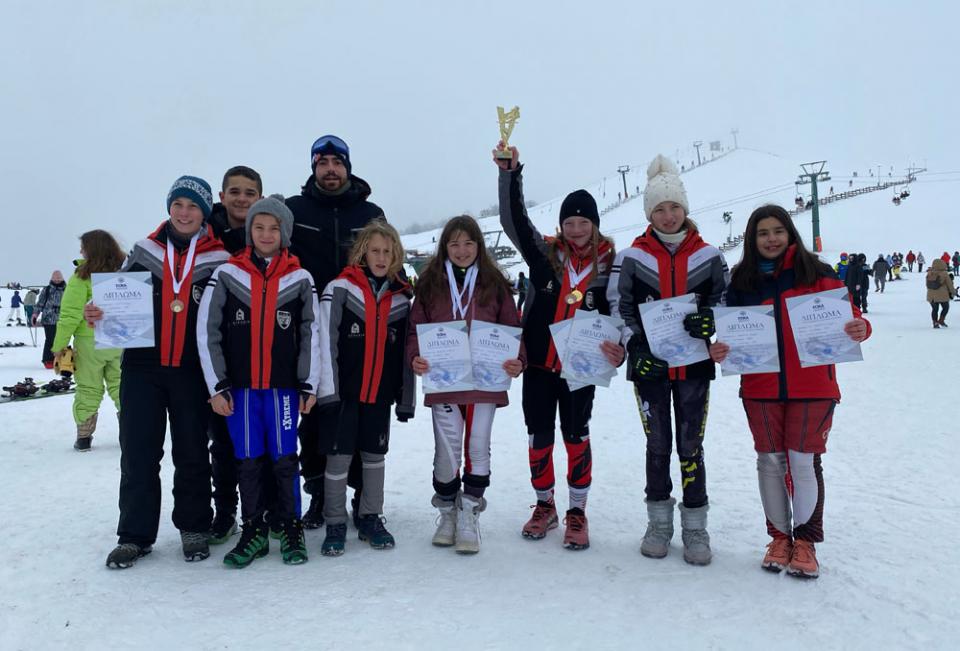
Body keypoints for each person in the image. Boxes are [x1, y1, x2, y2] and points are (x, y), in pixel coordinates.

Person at [709, 204, 871, 579]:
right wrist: (719, 349)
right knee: (770, 462)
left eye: (777, 231)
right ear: (752, 239)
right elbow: (728, 336)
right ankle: (780, 538)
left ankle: (806, 542)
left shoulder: (818, 273)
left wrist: (861, 328)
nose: (771, 239)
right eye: (763, 233)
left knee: (802, 461)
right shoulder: (741, 282)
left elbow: (852, 318)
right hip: (761, 387)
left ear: (790, 233)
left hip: (812, 385)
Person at [90, 176, 230, 569]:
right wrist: (97, 315)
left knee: (192, 452)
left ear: (204, 212)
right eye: (178, 205)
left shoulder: (219, 258)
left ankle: (194, 527)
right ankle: (134, 535)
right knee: (138, 452)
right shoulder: (145, 250)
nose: (184, 213)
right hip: (142, 368)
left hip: (191, 370)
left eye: (193, 206)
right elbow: (116, 301)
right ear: (169, 208)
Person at [495, 144, 623, 550]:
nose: (575, 228)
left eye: (583, 221)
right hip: (537, 367)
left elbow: (622, 312)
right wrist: (510, 175)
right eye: (569, 221)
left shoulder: (610, 264)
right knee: (539, 436)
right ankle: (544, 505)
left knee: (575, 436)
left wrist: (620, 346)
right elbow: (514, 221)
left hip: (580, 371)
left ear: (595, 224)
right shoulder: (545, 255)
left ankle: (577, 511)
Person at [608, 155, 728, 566]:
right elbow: (617, 307)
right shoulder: (631, 257)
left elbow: (724, 301)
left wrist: (711, 321)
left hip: (694, 366)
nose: (668, 214)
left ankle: (696, 526)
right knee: (657, 445)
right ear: (648, 213)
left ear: (686, 208)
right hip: (650, 370)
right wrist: (634, 346)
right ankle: (658, 522)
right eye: (659, 208)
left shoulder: (709, 255)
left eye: (674, 206)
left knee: (690, 445)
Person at [198, 194, 319, 567]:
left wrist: (308, 383)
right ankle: (253, 529)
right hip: (242, 391)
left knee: (285, 458)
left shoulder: (300, 278)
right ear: (249, 231)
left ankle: (290, 525)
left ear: (285, 232)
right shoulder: (228, 274)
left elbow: (311, 333)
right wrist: (216, 385)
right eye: (259, 226)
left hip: (283, 390)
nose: (266, 234)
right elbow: (207, 330)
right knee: (248, 460)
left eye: (274, 227)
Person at [406, 215, 525, 554]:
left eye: (468, 243)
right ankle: (447, 512)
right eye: (454, 243)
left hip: (485, 384)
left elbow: (512, 327)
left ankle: (470, 512)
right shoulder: (430, 283)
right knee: (446, 453)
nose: (461, 250)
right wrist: (416, 356)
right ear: (444, 246)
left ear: (479, 246)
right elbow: (415, 330)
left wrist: (519, 360)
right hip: (445, 382)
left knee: (477, 448)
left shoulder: (495, 283)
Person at [287, 135, 385, 530]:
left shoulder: (370, 211)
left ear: (347, 167)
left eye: (337, 162)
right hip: (307, 327)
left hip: (359, 327)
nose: (330, 169)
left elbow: (386, 257)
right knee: (314, 414)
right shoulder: (295, 210)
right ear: (314, 167)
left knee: (361, 412)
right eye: (323, 162)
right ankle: (318, 496)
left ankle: (364, 496)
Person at [315, 219, 415, 556]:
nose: (381, 256)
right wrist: (327, 390)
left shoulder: (402, 297)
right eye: (375, 250)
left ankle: (370, 515)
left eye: (388, 251)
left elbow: (406, 353)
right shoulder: (340, 288)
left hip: (379, 396)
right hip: (343, 395)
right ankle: (335, 521)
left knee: (375, 457)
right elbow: (325, 343)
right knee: (339, 459)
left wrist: (405, 398)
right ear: (362, 252)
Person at [204, 165, 264, 546]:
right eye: (235, 192)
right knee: (222, 442)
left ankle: (266, 512)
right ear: (222, 196)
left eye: (250, 192)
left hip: (262, 357)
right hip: (216, 357)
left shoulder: (268, 234)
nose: (242, 198)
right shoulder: (204, 237)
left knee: (266, 441)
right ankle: (224, 513)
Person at [51, 230, 126, 451]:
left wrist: (59, 346)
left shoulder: (81, 277)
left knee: (88, 388)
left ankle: (84, 436)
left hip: (90, 343)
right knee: (123, 387)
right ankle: (130, 432)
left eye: (83, 247)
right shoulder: (125, 273)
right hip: (121, 340)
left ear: (92, 249)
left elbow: (70, 315)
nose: (80, 251)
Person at [34, 271, 67, 368]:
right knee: (50, 339)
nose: (57, 280)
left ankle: (63, 359)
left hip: (63, 318)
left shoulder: (67, 289)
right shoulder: (47, 289)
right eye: (55, 279)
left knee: (62, 339)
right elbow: (40, 303)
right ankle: (48, 360)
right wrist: (35, 314)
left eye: (59, 278)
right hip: (49, 318)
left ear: (62, 279)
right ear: (52, 279)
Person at [926, 259, 955, 328]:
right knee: (946, 308)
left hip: (931, 295)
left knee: (935, 309)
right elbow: (949, 284)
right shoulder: (944, 273)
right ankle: (941, 320)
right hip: (942, 295)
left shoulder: (929, 273)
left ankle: (935, 322)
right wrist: (953, 292)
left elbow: (927, 284)